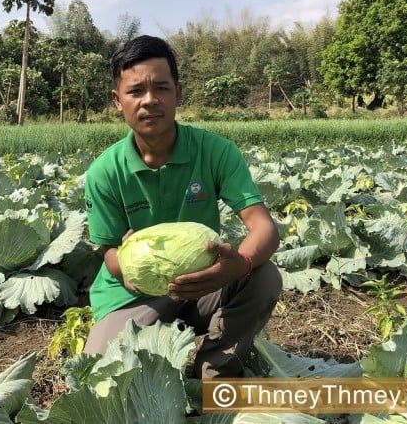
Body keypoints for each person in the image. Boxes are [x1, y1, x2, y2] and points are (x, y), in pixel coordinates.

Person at [83, 35, 282, 378]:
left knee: (263, 276)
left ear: (179, 92)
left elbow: (264, 228)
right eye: (135, 91)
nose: (149, 101)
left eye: (161, 87)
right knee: (99, 372)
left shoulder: (215, 151)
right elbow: (109, 253)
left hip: (205, 284)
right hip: (133, 297)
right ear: (117, 101)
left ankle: (214, 372)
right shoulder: (104, 171)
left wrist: (238, 265)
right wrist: (129, 266)